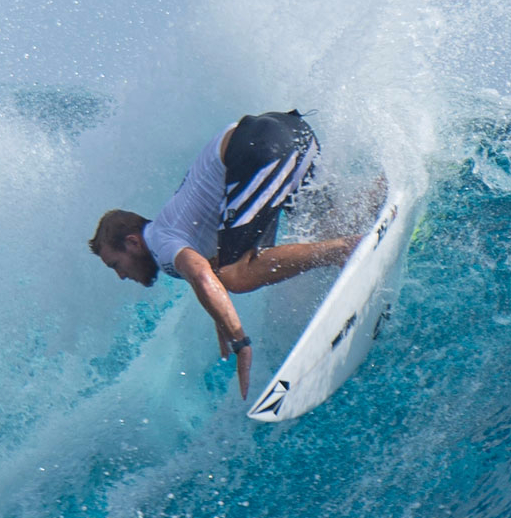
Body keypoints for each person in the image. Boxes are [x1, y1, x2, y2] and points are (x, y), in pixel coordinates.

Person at [88, 110, 360, 400]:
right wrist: (219, 316)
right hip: (288, 130)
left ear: (132, 243)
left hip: (260, 149)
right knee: (330, 225)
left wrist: (241, 343)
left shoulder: (160, 243)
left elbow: (202, 275)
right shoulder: (177, 223)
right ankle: (378, 199)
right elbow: (208, 269)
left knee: (236, 276)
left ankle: (343, 250)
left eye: (115, 264)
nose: (120, 275)